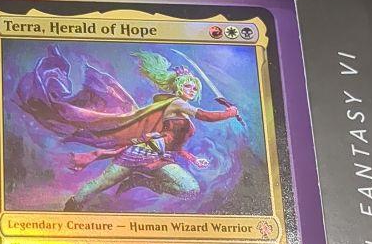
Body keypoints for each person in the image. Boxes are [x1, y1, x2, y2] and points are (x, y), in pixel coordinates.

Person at [15, 46, 238, 208]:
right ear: (178, 88)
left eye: (194, 88)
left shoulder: (183, 115)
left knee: (190, 190)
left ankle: (141, 180)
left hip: (158, 157)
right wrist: (230, 113)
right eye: (187, 86)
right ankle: (72, 206)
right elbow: (206, 116)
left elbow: (174, 146)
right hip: (139, 152)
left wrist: (193, 159)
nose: (191, 90)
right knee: (102, 183)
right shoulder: (176, 103)